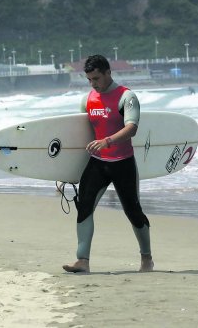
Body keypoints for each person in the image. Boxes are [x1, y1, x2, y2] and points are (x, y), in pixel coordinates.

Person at [62, 54, 153, 274]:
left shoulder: (127, 97)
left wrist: (107, 141)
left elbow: (132, 127)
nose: (93, 84)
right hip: (98, 163)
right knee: (84, 207)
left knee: (133, 211)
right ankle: (82, 260)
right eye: (90, 80)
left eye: (96, 78)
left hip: (123, 163)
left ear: (108, 73)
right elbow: (79, 135)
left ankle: (147, 258)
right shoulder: (88, 100)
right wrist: (63, 169)